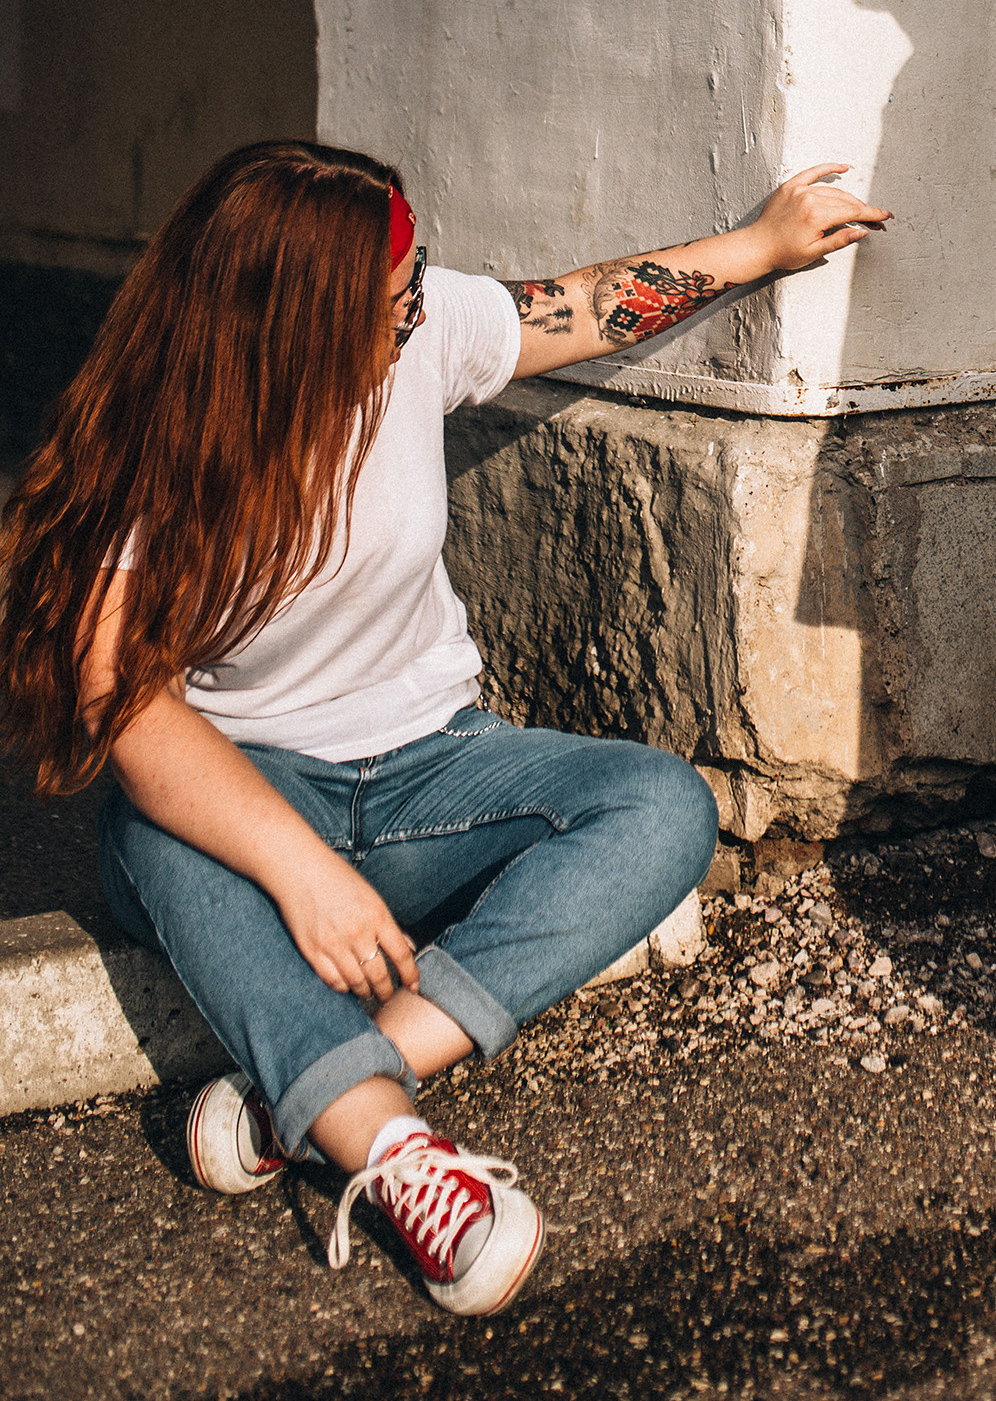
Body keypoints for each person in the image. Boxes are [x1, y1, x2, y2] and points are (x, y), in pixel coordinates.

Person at [0, 139, 886, 1318]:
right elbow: (134, 720)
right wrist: (302, 872)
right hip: (238, 805)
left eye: (418, 280)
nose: (422, 309)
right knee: (156, 843)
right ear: (293, 323)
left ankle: (305, 1100)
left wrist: (759, 246)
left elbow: (577, 309)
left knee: (661, 806)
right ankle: (397, 1156)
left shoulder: (413, 339)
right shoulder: (149, 463)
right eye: (394, 297)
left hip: (433, 770)